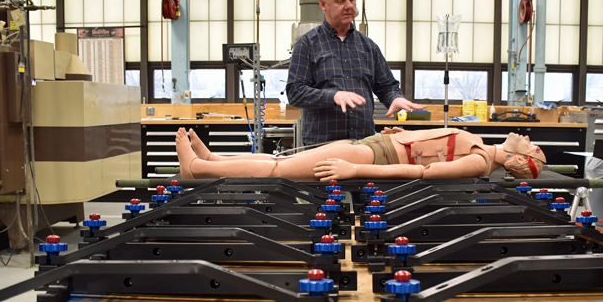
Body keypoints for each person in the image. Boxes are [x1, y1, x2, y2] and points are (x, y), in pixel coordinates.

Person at [286, 0, 425, 146]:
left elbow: (386, 86)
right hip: (322, 147)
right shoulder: (307, 45)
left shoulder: (368, 47)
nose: (348, 6)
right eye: (340, 1)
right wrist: (333, 96)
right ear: (323, 4)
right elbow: (295, 92)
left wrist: (395, 98)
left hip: (364, 145)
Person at [175, 127, 546, 181]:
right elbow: (432, 143)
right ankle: (216, 161)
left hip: (373, 160)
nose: (524, 137)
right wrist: (403, 134)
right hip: (376, 146)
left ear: (517, 161)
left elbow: (423, 174)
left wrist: (354, 171)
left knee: (280, 170)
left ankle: (198, 168)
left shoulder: (480, 161)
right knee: (279, 163)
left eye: (528, 145)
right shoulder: (481, 143)